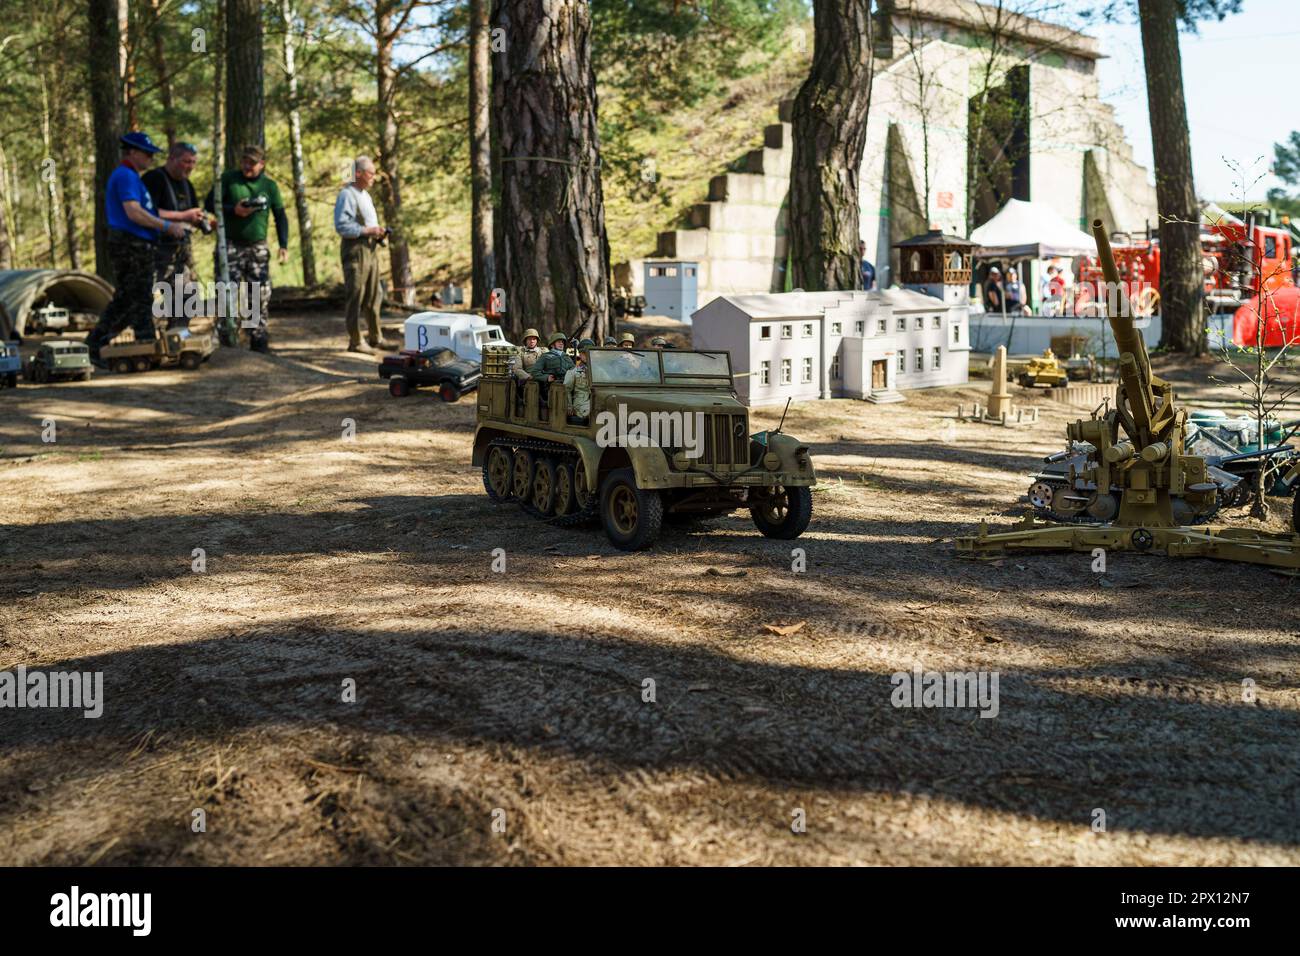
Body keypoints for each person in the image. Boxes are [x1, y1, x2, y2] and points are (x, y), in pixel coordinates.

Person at [85, 131, 187, 364]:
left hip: (138, 244)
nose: (151, 159)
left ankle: (97, 345)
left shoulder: (132, 177)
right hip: (130, 244)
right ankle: (144, 346)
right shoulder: (125, 176)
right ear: (132, 152)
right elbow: (133, 212)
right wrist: (165, 226)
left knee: (129, 297)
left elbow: (144, 211)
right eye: (148, 154)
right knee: (138, 297)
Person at [205, 144, 289, 352]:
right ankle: (228, 340)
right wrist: (233, 209)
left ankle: (258, 342)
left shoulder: (269, 186)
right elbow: (209, 204)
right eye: (244, 161)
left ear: (262, 164)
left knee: (258, 294)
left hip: (257, 247)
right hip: (230, 246)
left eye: (252, 163)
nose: (247, 166)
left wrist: (283, 244)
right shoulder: (228, 179)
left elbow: (280, 215)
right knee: (227, 291)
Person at [142, 141, 210, 329]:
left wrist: (200, 221)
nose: (190, 167)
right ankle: (144, 341)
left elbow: (192, 215)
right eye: (186, 161)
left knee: (187, 298)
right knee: (146, 300)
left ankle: (177, 337)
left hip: (181, 252)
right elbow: (146, 213)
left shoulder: (187, 185)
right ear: (172, 158)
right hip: (155, 251)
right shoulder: (154, 179)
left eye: (193, 162)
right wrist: (182, 216)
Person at [333, 156, 387, 353]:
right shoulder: (347, 195)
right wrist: (367, 231)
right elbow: (341, 225)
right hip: (355, 250)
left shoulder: (365, 195)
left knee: (375, 294)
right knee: (356, 294)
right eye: (370, 173)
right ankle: (356, 341)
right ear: (358, 173)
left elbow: (368, 223)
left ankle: (375, 337)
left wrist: (378, 233)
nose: (373, 177)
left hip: (370, 249)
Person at [564, 338, 594, 420]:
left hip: (596, 400)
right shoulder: (573, 372)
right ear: (580, 354)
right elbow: (566, 389)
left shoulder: (598, 370)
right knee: (594, 413)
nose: (587, 355)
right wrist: (569, 406)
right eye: (584, 353)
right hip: (581, 404)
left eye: (589, 352)